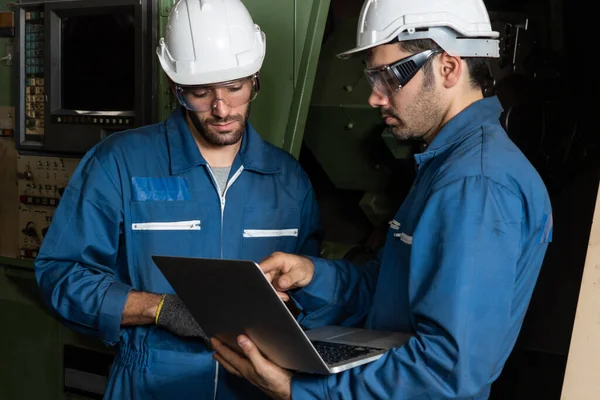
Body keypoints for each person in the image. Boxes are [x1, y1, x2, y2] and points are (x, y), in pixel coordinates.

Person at [211, 0, 553, 398]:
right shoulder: (445, 164)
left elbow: (445, 370)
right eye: (373, 78)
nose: (374, 98)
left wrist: (298, 391)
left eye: (389, 77)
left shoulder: (475, 185)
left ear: (448, 67)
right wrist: (311, 275)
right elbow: (392, 288)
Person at [34, 0, 322, 399]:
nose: (221, 109)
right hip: (151, 384)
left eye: (235, 88)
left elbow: (313, 290)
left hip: (259, 386)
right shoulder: (119, 163)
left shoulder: (288, 178)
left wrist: (292, 307)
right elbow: (60, 275)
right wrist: (159, 308)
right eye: (200, 93)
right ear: (175, 87)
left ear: (255, 80)